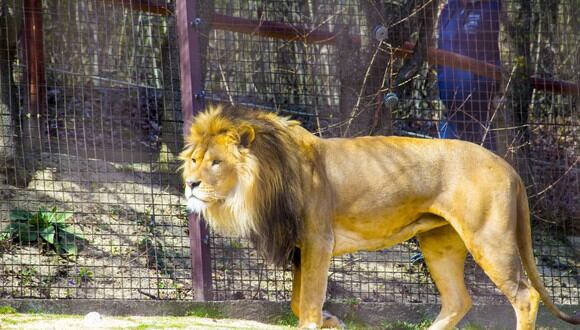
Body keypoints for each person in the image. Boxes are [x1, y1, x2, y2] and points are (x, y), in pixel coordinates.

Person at [437, 0, 501, 150]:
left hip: (481, 111)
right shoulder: (449, 9)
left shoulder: (494, 7)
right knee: (447, 167)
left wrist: (493, 89)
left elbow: (501, 52)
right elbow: (440, 49)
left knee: (486, 168)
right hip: (451, 110)